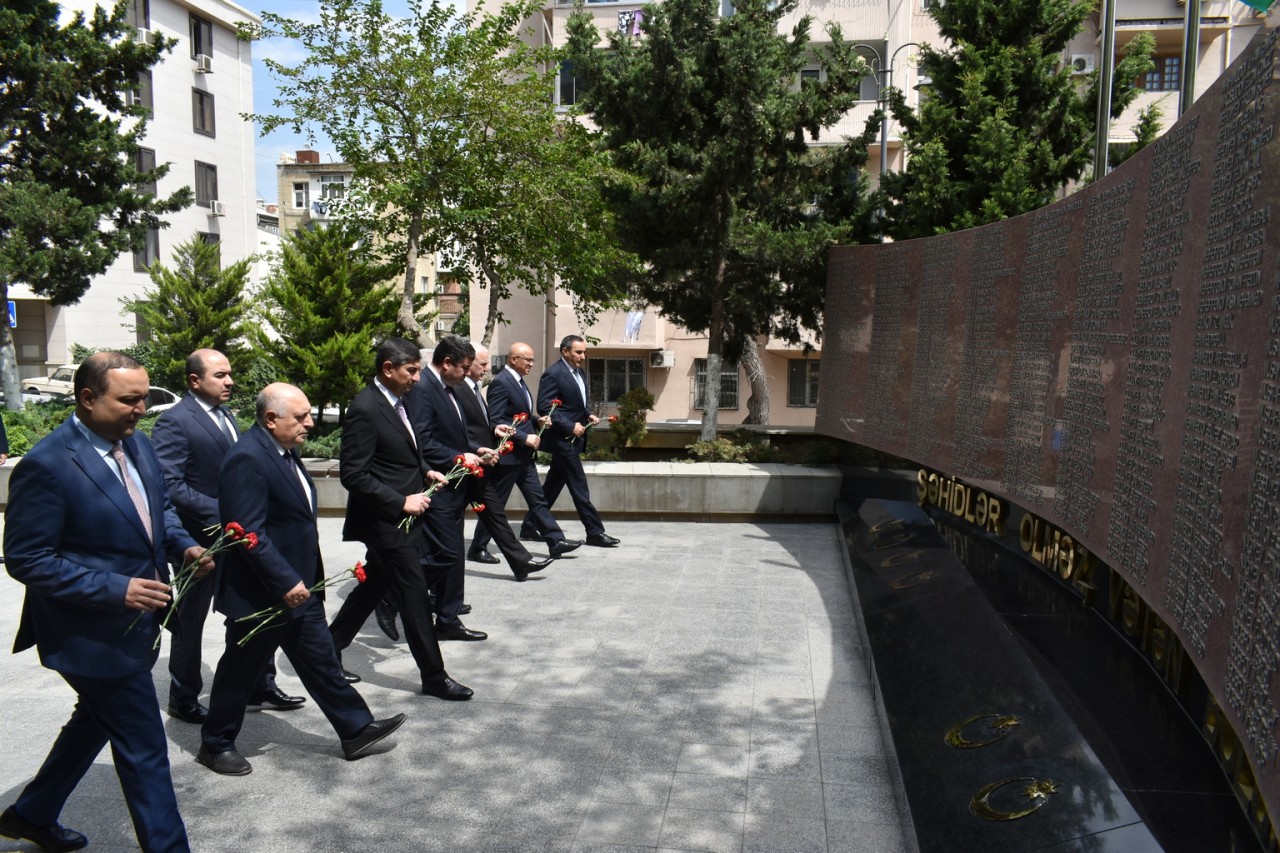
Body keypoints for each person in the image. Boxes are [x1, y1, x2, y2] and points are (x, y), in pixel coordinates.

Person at [1, 352, 210, 853]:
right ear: (88, 398)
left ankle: (31, 813)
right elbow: (26, 559)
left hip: (136, 627)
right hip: (89, 638)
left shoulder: (135, 446)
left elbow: (156, 510)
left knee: (94, 721)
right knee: (144, 748)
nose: (141, 410)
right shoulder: (47, 465)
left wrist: (184, 545)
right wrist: (116, 589)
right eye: (129, 400)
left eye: (144, 398)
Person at [196, 384, 406, 775]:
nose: (310, 422)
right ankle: (216, 743)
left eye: (309, 414)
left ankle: (356, 728)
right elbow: (246, 532)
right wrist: (283, 581)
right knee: (240, 670)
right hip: (263, 591)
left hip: (298, 586)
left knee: (320, 658)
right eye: (301, 417)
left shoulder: (282, 450)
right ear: (271, 419)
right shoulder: (247, 458)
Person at [151, 349, 304, 724]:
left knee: (253, 608)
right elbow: (169, 485)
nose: (229, 381)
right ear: (194, 381)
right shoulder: (175, 422)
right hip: (199, 542)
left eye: (229, 374)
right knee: (191, 620)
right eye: (220, 375)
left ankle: (260, 685)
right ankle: (183, 695)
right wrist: (223, 515)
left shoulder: (228, 416)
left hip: (240, 538)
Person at [327, 338, 472, 700]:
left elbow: (403, 451)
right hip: (386, 522)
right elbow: (354, 474)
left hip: (400, 517)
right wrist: (400, 501)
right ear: (388, 369)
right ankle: (434, 677)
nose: (418, 378)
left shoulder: (398, 401)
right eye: (412, 371)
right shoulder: (365, 408)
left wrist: (426, 471)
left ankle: (327, 650)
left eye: (419, 370)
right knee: (414, 596)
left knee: (374, 587)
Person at [404, 336, 491, 640]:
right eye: (465, 367)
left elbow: (453, 434)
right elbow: (423, 441)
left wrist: (475, 450)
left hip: (456, 483)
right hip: (436, 483)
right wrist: (456, 457)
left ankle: (448, 618)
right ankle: (391, 591)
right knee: (447, 553)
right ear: (446, 363)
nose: (468, 373)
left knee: (453, 555)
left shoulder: (447, 387)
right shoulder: (423, 389)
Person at [453, 344, 554, 582]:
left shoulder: (475, 388)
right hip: (465, 464)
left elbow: (487, 421)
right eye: (482, 364)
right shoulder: (457, 389)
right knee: (450, 529)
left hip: (484, 461)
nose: (488, 369)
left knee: (496, 514)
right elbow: (455, 429)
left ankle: (522, 562)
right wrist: (476, 450)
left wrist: (495, 429)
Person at [522, 335, 619, 547]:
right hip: (562, 440)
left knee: (552, 486)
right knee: (579, 486)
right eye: (578, 352)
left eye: (584, 352)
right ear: (565, 351)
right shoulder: (553, 374)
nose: (583, 356)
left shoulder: (579, 373)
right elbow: (545, 407)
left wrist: (588, 414)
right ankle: (594, 531)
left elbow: (578, 402)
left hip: (574, 439)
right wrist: (569, 425)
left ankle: (530, 526)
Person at [487, 342, 582, 559]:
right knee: (497, 504)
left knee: (538, 499)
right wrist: (524, 437)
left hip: (524, 456)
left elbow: (519, 414)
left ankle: (555, 541)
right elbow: (496, 421)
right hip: (510, 455)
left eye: (532, 359)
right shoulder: (501, 383)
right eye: (528, 359)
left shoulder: (518, 382)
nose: (531, 363)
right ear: (514, 360)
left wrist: (538, 420)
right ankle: (478, 546)